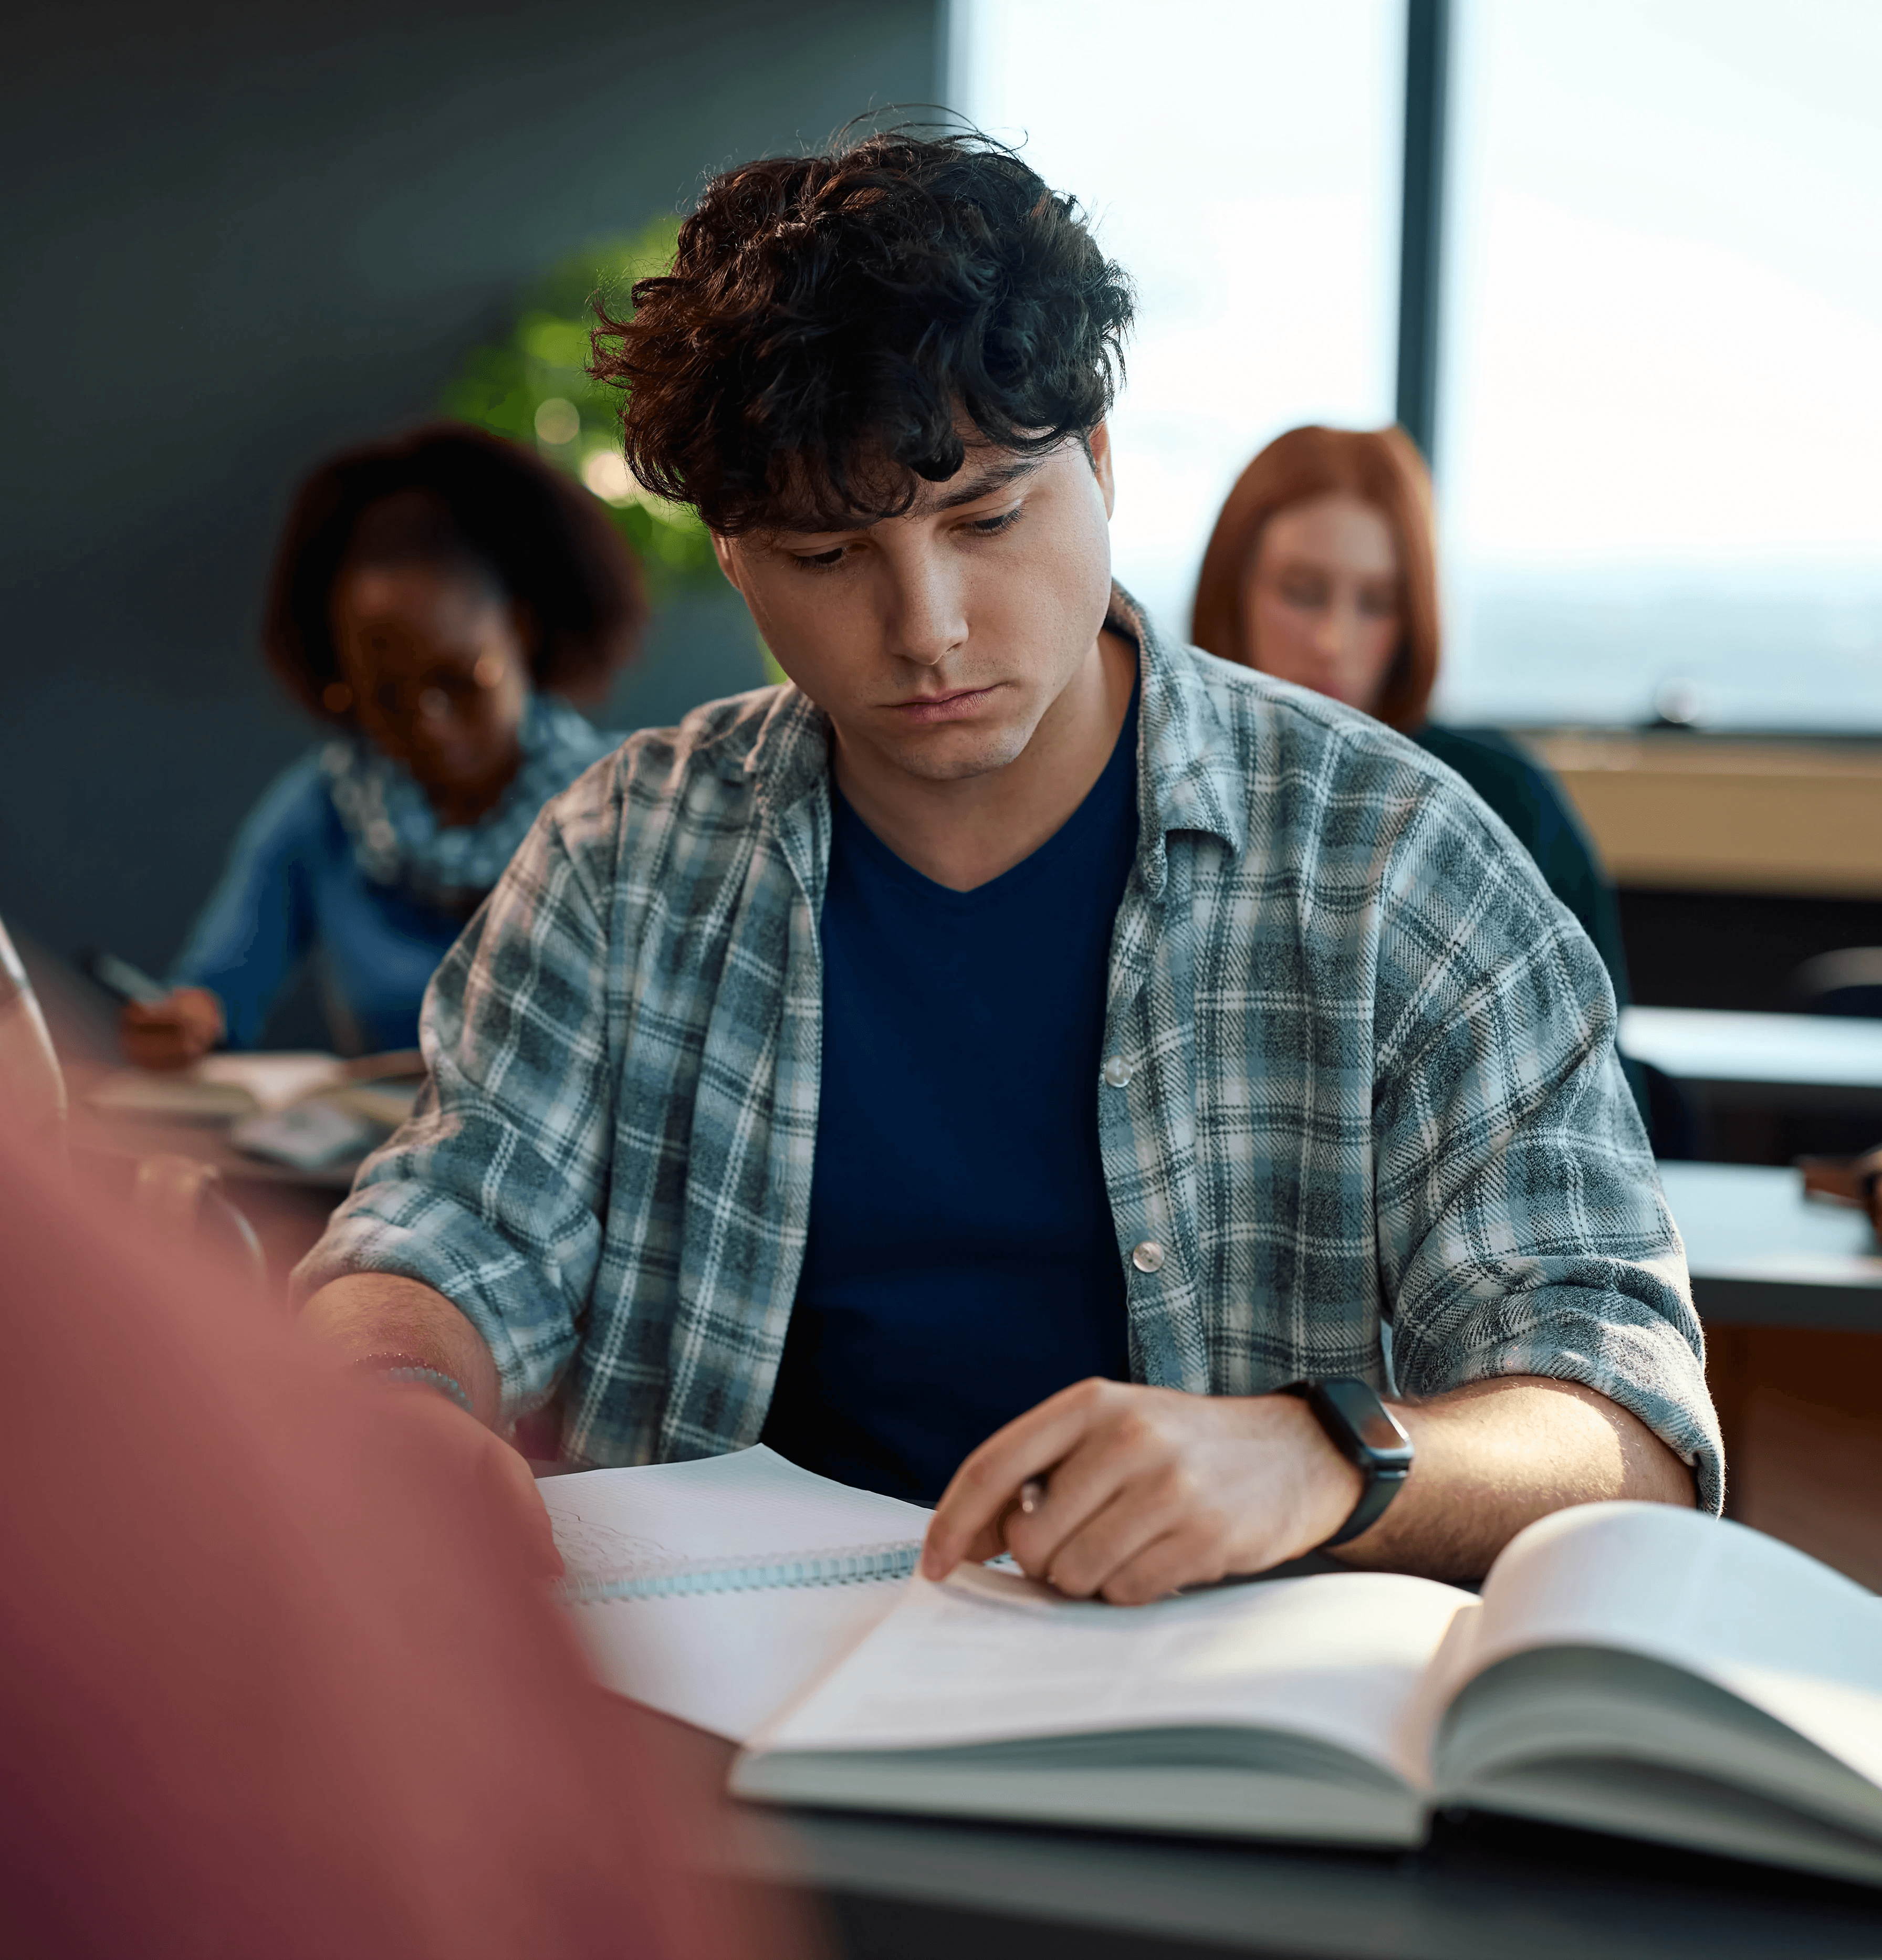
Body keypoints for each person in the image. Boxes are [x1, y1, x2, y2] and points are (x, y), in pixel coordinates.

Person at [296, 131, 1719, 1607]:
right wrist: (401, 1396)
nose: (928, 629)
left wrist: (1321, 1456)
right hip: (709, 1728)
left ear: (1099, 460)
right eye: (828, 557)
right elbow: (446, 1231)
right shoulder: (621, 858)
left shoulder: (1394, 863)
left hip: (1216, 1740)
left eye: (986, 519)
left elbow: (1631, 1427)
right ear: (732, 554)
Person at [121, 424, 645, 1065]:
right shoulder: (325, 809)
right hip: (379, 1160)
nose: (431, 722)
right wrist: (187, 1020)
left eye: (460, 680)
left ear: (521, 631)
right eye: (385, 697)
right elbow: (221, 982)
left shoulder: (626, 804)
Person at [1190, 423, 1633, 1003]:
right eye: (1301, 591)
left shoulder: (1502, 803)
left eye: (1377, 604)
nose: (1332, 640)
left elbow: (1592, 1069)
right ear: (1233, 591)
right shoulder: (1168, 783)